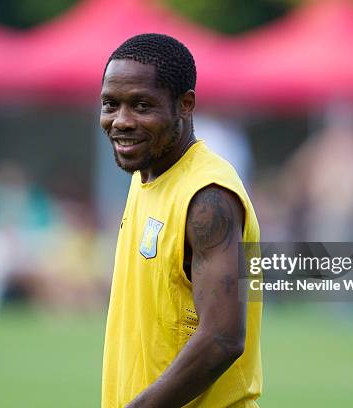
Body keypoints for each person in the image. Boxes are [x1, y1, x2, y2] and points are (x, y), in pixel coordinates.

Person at [100, 34, 262, 407]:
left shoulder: (208, 196)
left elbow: (223, 338)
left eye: (141, 105)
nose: (121, 121)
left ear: (184, 105)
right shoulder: (147, 172)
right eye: (111, 104)